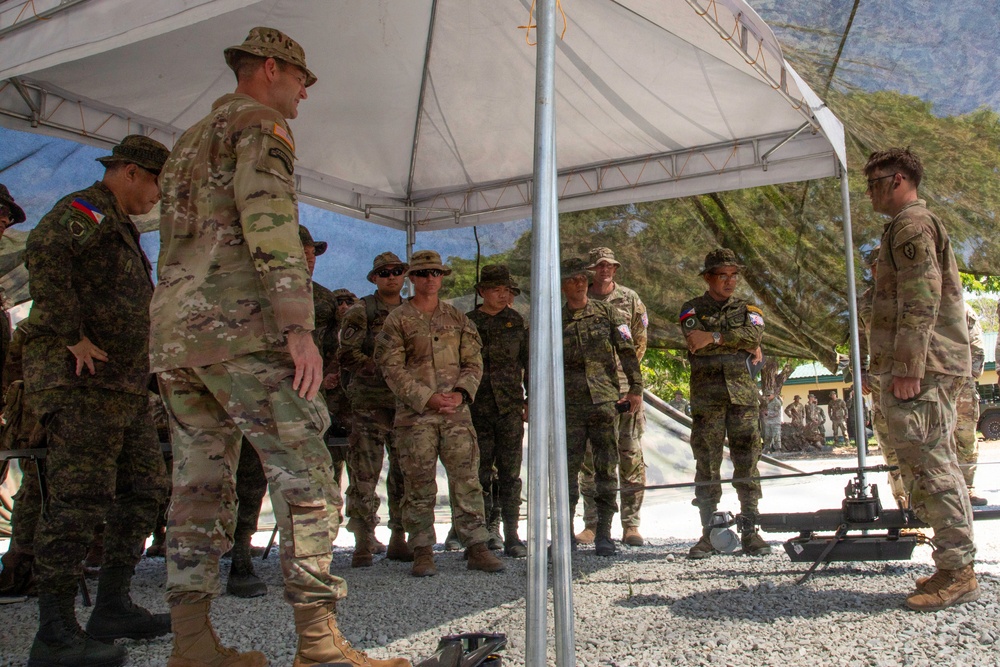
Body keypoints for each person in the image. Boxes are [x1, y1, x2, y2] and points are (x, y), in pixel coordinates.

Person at [150, 27, 410, 666]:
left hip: (179, 339)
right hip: (241, 330)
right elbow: (267, 222)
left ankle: (192, 645)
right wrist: (298, 327)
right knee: (308, 478)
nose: (303, 95)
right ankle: (319, 645)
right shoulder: (261, 124)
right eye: (301, 80)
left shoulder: (185, 143)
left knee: (197, 487)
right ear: (270, 68)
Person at [22, 135, 172, 666]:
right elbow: (43, 250)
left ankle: (111, 605)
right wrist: (69, 331)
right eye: (157, 182)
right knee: (78, 500)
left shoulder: (121, 225)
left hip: (123, 388)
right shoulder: (84, 209)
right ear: (131, 171)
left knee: (147, 489)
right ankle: (55, 632)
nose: (159, 195)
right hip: (81, 383)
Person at [864, 147, 976, 612]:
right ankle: (953, 563)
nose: (869, 191)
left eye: (874, 182)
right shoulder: (903, 227)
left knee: (933, 462)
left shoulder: (912, 225)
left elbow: (921, 298)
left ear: (898, 179)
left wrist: (908, 368)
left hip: (924, 369)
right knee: (930, 460)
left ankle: (958, 569)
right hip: (920, 366)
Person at [376, 250, 505, 577]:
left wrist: (461, 393)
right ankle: (422, 550)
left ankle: (476, 545)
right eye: (422, 274)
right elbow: (390, 368)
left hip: (456, 416)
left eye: (435, 273)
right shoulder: (397, 320)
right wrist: (426, 398)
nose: (429, 278)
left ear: (442, 277)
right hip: (415, 418)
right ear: (412, 278)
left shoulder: (458, 318)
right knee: (418, 483)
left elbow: (474, 361)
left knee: (468, 480)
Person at [679, 248, 770, 559]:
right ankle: (709, 532)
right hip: (708, 400)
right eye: (723, 276)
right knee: (706, 464)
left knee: (748, 462)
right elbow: (695, 342)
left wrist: (714, 338)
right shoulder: (690, 308)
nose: (730, 281)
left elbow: (754, 335)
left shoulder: (750, 308)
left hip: (743, 399)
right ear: (708, 278)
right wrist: (735, 340)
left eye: (734, 275)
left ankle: (750, 529)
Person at [560, 257, 643, 557]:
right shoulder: (556, 320)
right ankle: (564, 533)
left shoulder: (609, 313)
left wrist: (635, 388)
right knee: (567, 472)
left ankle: (605, 534)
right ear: (563, 285)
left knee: (607, 471)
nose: (580, 283)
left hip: (604, 404)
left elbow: (627, 350)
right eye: (573, 279)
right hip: (569, 407)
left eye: (583, 278)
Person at [338, 252, 410, 567]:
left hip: (403, 405)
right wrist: (379, 369)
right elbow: (347, 354)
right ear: (374, 278)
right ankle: (363, 541)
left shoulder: (412, 312)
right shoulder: (361, 311)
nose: (391, 276)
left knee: (404, 474)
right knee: (364, 476)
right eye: (384, 273)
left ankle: (399, 537)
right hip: (368, 405)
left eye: (396, 271)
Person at [466, 265, 529, 558]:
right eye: (496, 290)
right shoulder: (467, 323)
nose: (502, 296)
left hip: (509, 408)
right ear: (482, 292)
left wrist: (530, 400)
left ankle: (513, 532)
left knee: (510, 473)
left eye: (506, 291)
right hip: (476, 407)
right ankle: (486, 532)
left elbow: (528, 363)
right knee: (479, 473)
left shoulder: (517, 323)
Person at [858, 245, 906, 507]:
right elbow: (858, 342)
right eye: (874, 267)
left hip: (908, 379)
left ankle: (924, 503)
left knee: (914, 441)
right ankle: (903, 503)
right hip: (878, 382)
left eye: (882, 264)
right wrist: (860, 372)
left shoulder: (909, 294)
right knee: (888, 442)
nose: (878, 271)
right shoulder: (865, 300)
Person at [955, 303, 986, 506]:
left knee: (965, 438)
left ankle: (967, 488)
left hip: (961, 387)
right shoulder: (922, 305)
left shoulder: (964, 310)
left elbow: (977, 349)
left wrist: (968, 377)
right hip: (929, 385)